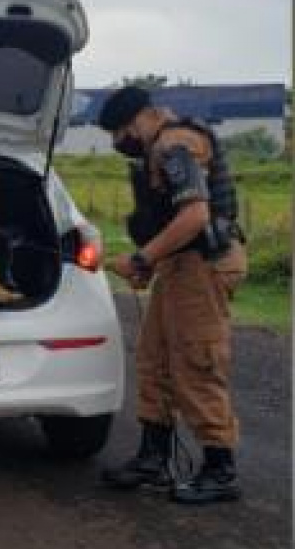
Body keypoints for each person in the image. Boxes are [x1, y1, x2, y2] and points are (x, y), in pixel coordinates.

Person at [97, 86, 248, 504]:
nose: (118, 143)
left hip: (204, 264)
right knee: (155, 359)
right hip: (181, 264)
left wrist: (141, 259)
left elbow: (196, 215)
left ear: (140, 119)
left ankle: (220, 469)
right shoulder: (160, 146)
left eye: (119, 133)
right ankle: (153, 459)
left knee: (197, 359)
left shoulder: (174, 144)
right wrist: (153, 263)